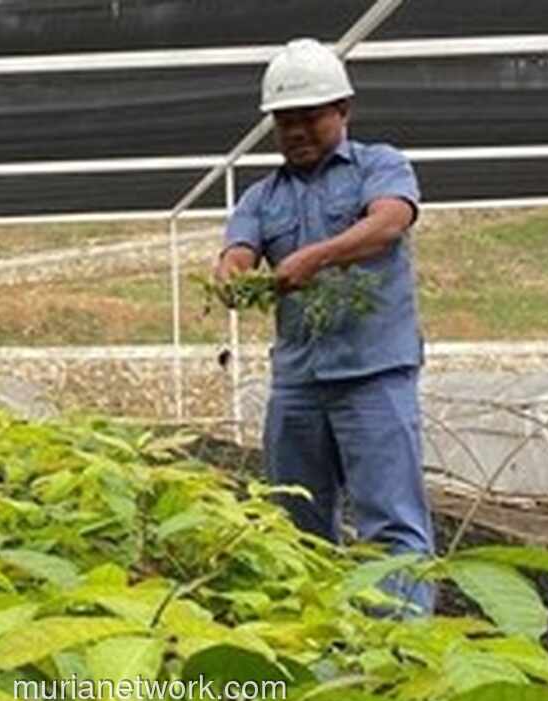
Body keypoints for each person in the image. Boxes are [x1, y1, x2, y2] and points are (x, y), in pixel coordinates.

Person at [213, 38, 435, 615]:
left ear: (343, 110)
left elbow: (389, 222)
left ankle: (402, 652)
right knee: (296, 522)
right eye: (283, 121)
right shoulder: (262, 197)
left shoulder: (379, 165)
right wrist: (231, 275)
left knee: (390, 522)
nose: (296, 131)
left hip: (374, 375)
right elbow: (237, 250)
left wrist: (319, 255)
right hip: (298, 382)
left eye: (309, 117)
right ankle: (316, 640)